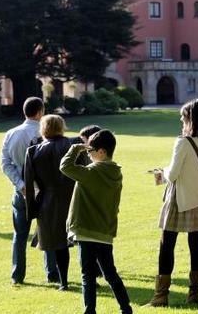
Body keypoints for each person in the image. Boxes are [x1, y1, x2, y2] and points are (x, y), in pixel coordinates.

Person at [148, 99, 198, 307]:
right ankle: (193, 293)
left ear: (190, 118)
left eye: (183, 115)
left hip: (180, 197)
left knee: (166, 244)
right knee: (196, 245)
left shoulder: (183, 141)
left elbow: (174, 173)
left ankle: (161, 296)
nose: (180, 119)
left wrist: (162, 172)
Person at [59, 130, 133, 314]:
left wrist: (75, 148)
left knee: (87, 276)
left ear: (101, 152)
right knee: (110, 274)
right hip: (104, 231)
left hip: (86, 229)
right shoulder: (116, 172)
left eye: (90, 150)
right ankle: (126, 308)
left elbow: (65, 166)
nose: (88, 153)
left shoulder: (92, 171)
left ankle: (89, 311)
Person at [0, 97, 56, 285]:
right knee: (48, 232)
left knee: (20, 235)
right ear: (40, 112)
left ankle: (17, 275)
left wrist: (21, 184)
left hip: (21, 191)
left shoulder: (11, 133)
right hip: (44, 191)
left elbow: (5, 164)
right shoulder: (47, 134)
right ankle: (52, 273)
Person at [24, 114, 76, 291]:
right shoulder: (72, 146)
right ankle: (89, 278)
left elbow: (30, 185)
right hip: (73, 199)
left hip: (47, 201)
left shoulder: (33, 151)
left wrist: (31, 211)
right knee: (82, 241)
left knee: (58, 245)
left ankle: (64, 282)